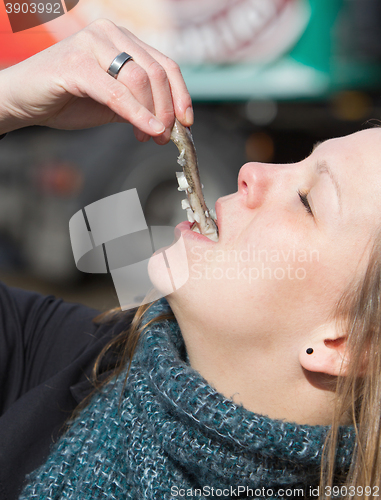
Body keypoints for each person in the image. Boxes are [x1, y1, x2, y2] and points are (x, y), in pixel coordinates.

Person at [0, 18, 379, 500]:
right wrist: (7, 98)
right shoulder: (74, 363)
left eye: (308, 200)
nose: (251, 171)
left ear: (346, 344)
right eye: (297, 159)